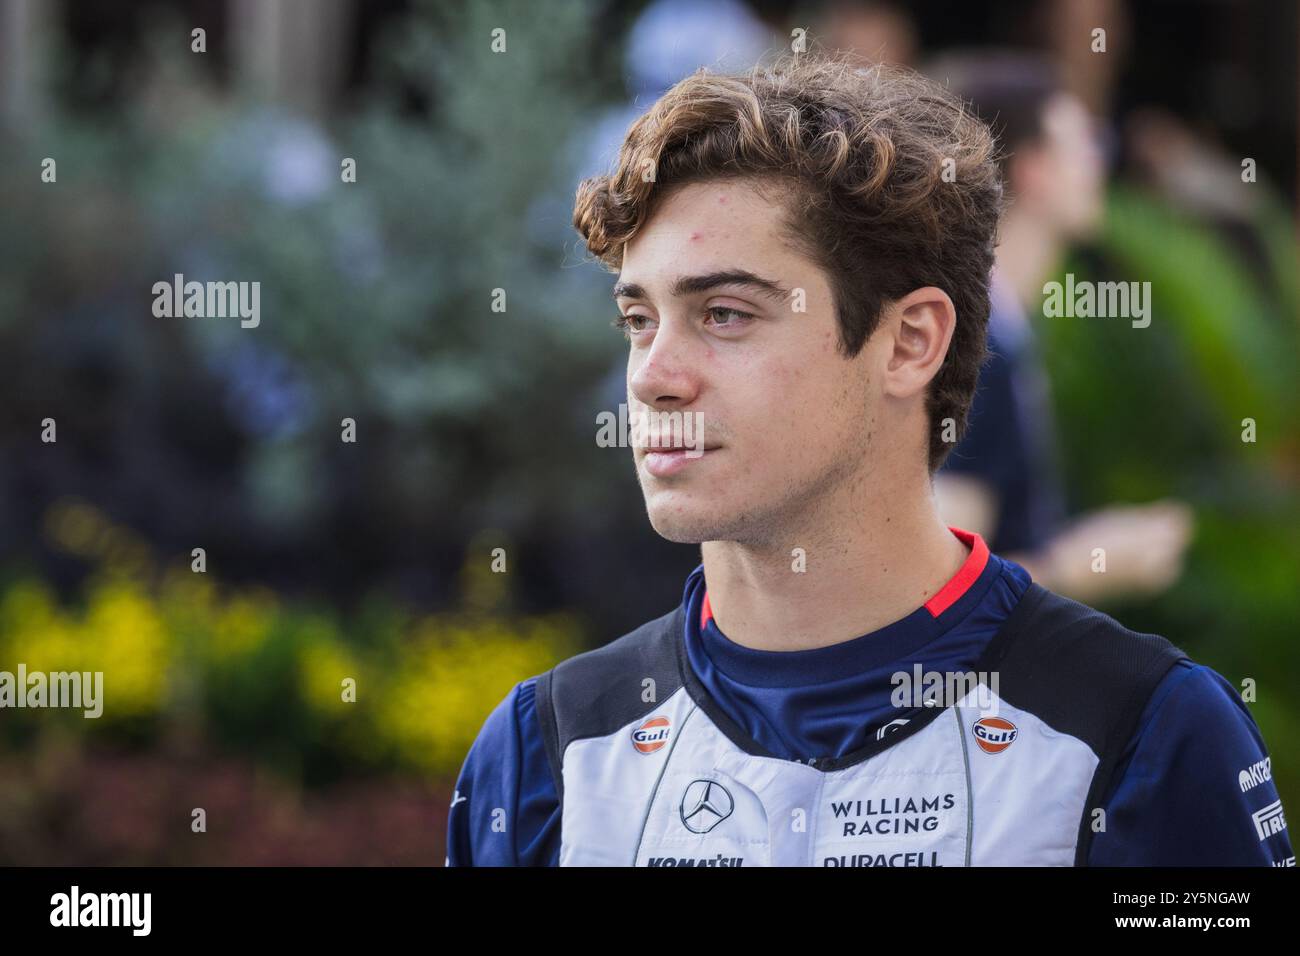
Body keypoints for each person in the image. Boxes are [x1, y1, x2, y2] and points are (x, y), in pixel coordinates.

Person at [446, 54, 1292, 867]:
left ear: (909, 343)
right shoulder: (544, 755)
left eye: (726, 314)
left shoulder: (1146, 735)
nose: (653, 377)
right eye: (638, 319)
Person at [926, 52, 1194, 603]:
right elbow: (938, 590)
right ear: (1035, 169)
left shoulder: (994, 329)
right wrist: (1086, 566)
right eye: (1085, 144)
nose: (1101, 161)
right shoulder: (978, 344)